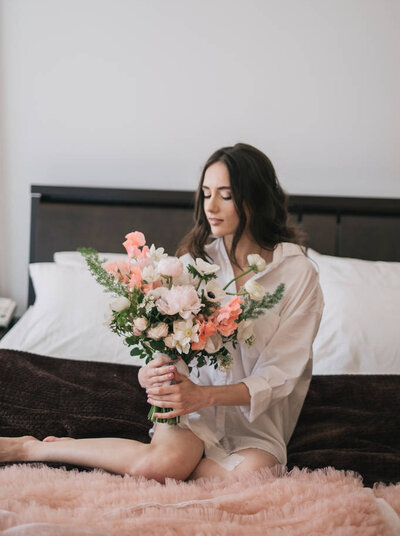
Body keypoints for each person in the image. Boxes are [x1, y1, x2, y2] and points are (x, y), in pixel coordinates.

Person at [0, 143, 323, 482]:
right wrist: (151, 376)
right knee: (161, 464)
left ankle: (174, 466)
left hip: (255, 426)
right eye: (206, 193)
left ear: (255, 199)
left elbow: (282, 375)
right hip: (191, 416)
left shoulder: (298, 274)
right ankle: (34, 449)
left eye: (225, 195)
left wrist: (203, 396)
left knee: (255, 475)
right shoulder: (191, 266)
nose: (210, 206)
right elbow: (170, 351)